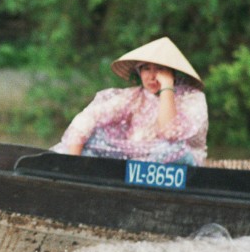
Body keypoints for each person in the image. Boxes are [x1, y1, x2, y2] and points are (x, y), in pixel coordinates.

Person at [50, 36, 208, 165]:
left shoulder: (192, 98)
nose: (152, 76)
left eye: (160, 69)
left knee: (171, 148)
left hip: (178, 164)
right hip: (136, 163)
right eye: (146, 68)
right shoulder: (134, 97)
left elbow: (170, 133)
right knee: (93, 137)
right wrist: (72, 162)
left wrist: (167, 86)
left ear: (173, 73)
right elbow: (90, 117)